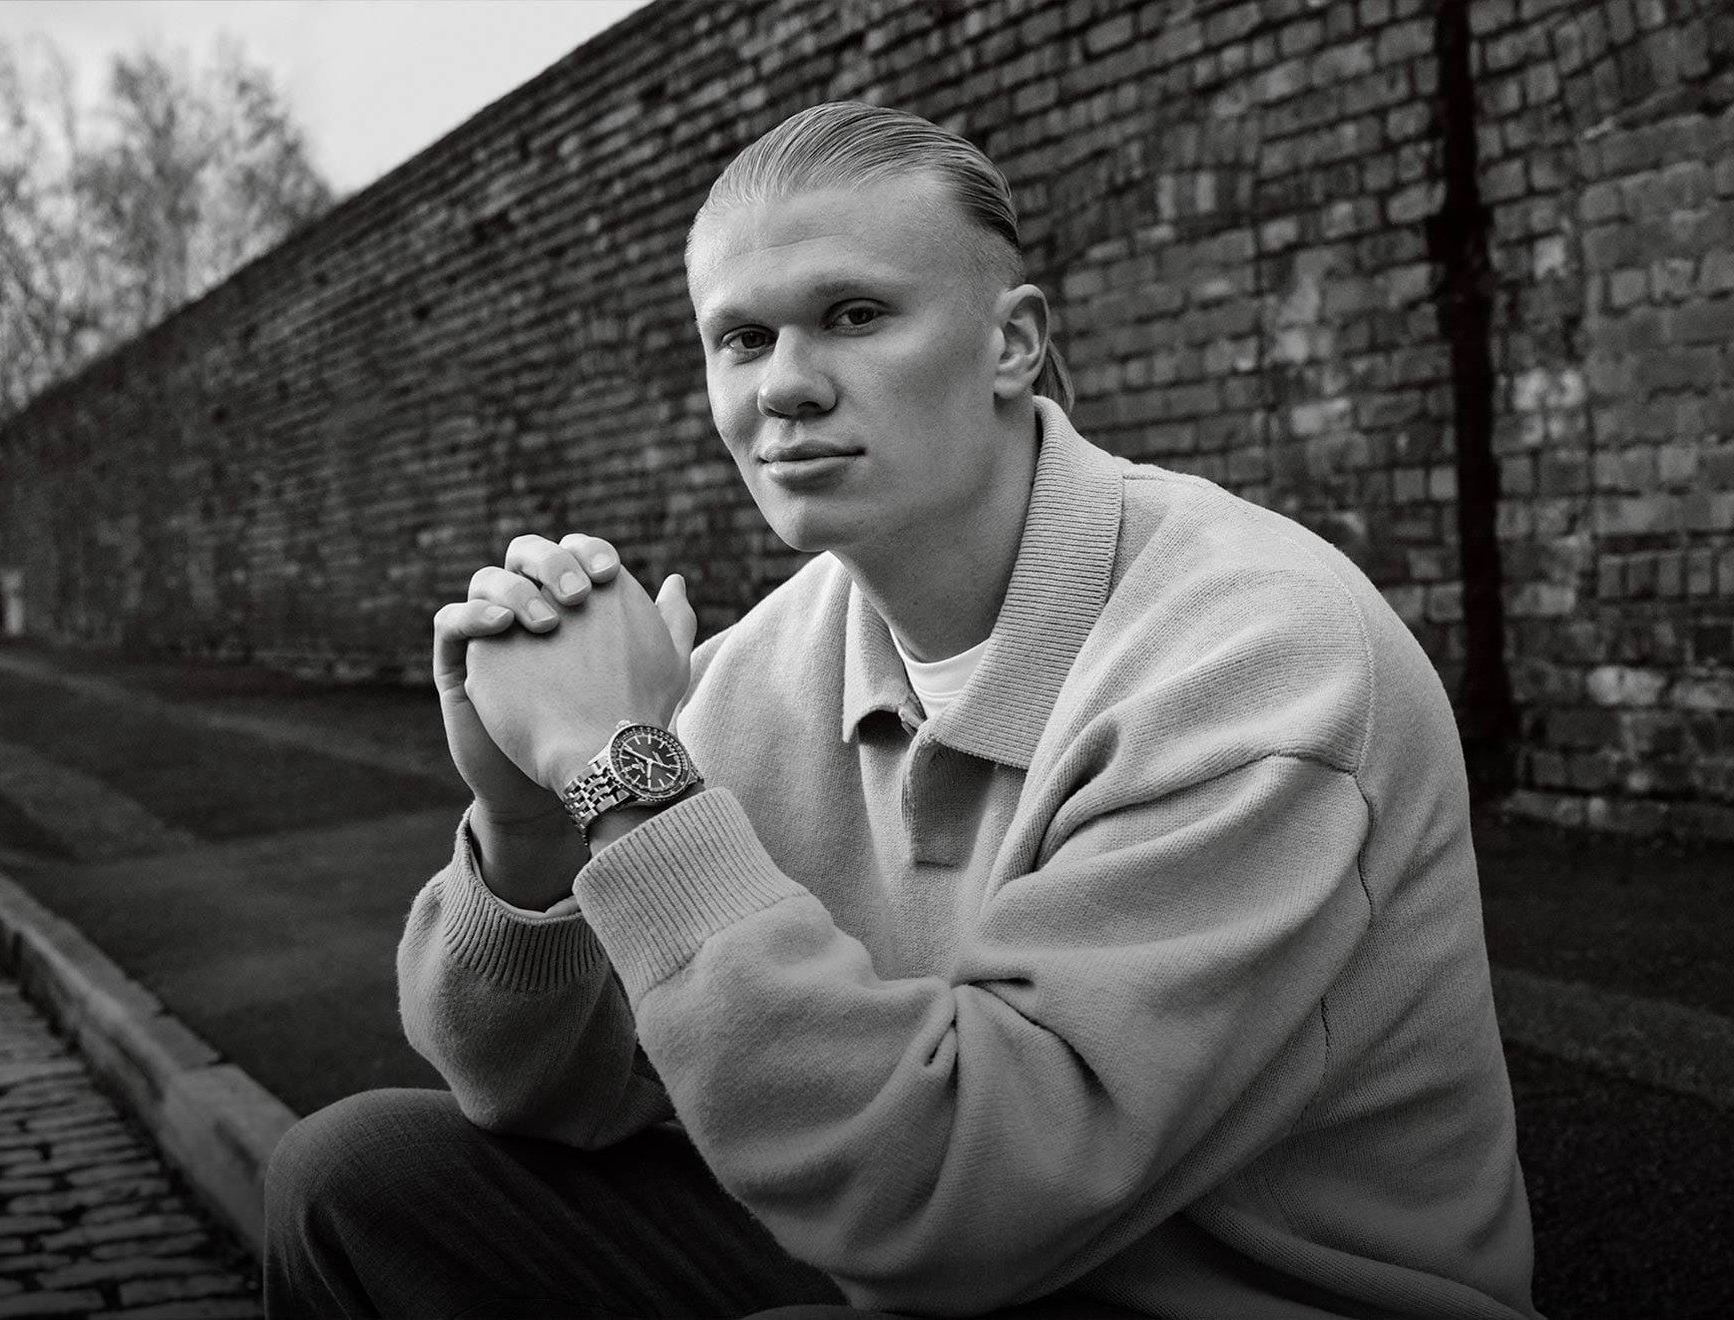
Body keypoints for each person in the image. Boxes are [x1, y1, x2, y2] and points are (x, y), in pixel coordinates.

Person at [264, 102, 1538, 1320]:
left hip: (1231, 1293)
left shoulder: (1260, 657)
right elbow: (535, 1092)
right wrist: (533, 821)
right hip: (910, 1244)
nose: (784, 386)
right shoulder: (757, 669)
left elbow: (965, 1203)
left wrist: (625, 774)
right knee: (352, 1183)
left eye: (853, 315)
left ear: (1010, 343)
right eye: (740, 338)